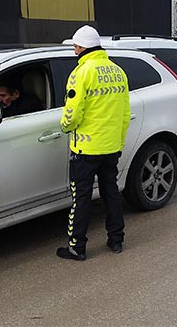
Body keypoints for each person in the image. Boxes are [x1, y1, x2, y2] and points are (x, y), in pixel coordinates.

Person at [57, 25, 131, 261]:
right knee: (111, 193)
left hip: (85, 149)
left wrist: (64, 127)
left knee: (81, 198)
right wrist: (118, 143)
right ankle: (116, 240)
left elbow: (73, 113)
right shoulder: (118, 71)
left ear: (81, 47)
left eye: (75, 47)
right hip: (111, 148)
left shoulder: (81, 73)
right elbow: (125, 114)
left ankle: (77, 247)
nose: (74, 51)